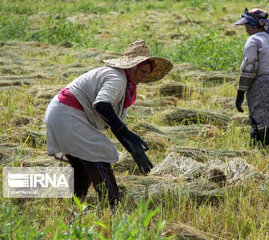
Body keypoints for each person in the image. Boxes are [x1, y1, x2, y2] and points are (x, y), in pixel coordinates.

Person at [45, 40, 173, 207]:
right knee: (98, 154)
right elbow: (101, 105)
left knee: (82, 167)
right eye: (142, 71)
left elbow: (116, 124)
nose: (144, 77)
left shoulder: (125, 85)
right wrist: (127, 133)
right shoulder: (117, 79)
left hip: (61, 113)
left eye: (147, 74)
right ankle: (112, 206)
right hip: (67, 113)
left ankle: (75, 208)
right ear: (132, 67)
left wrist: (134, 149)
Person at [233, 8, 269, 153]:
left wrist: (240, 93)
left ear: (253, 26)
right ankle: (255, 153)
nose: (246, 29)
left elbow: (249, 69)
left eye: (247, 26)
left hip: (264, 90)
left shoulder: (253, 41)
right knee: (261, 125)